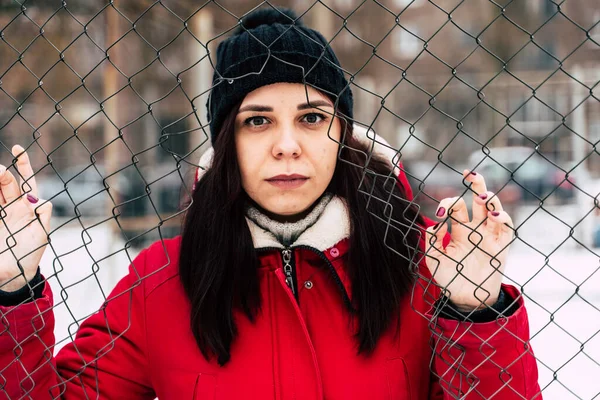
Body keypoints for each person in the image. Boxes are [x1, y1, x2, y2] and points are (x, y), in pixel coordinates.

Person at [0, 7, 541, 399]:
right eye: (258, 120)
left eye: (311, 118)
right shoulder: (159, 282)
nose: (287, 144)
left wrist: (474, 309)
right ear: (227, 143)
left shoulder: (423, 264)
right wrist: (12, 289)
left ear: (342, 135)